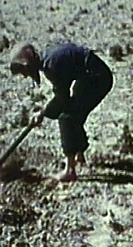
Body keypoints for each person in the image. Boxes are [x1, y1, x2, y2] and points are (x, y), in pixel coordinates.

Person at [9, 42, 113, 182]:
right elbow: (63, 98)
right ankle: (79, 155)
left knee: (67, 118)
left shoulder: (52, 65)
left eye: (24, 71)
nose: (26, 76)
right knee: (73, 109)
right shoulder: (48, 59)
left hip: (98, 77)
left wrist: (42, 113)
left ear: (27, 63)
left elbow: (61, 98)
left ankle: (70, 171)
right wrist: (45, 112)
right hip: (89, 75)